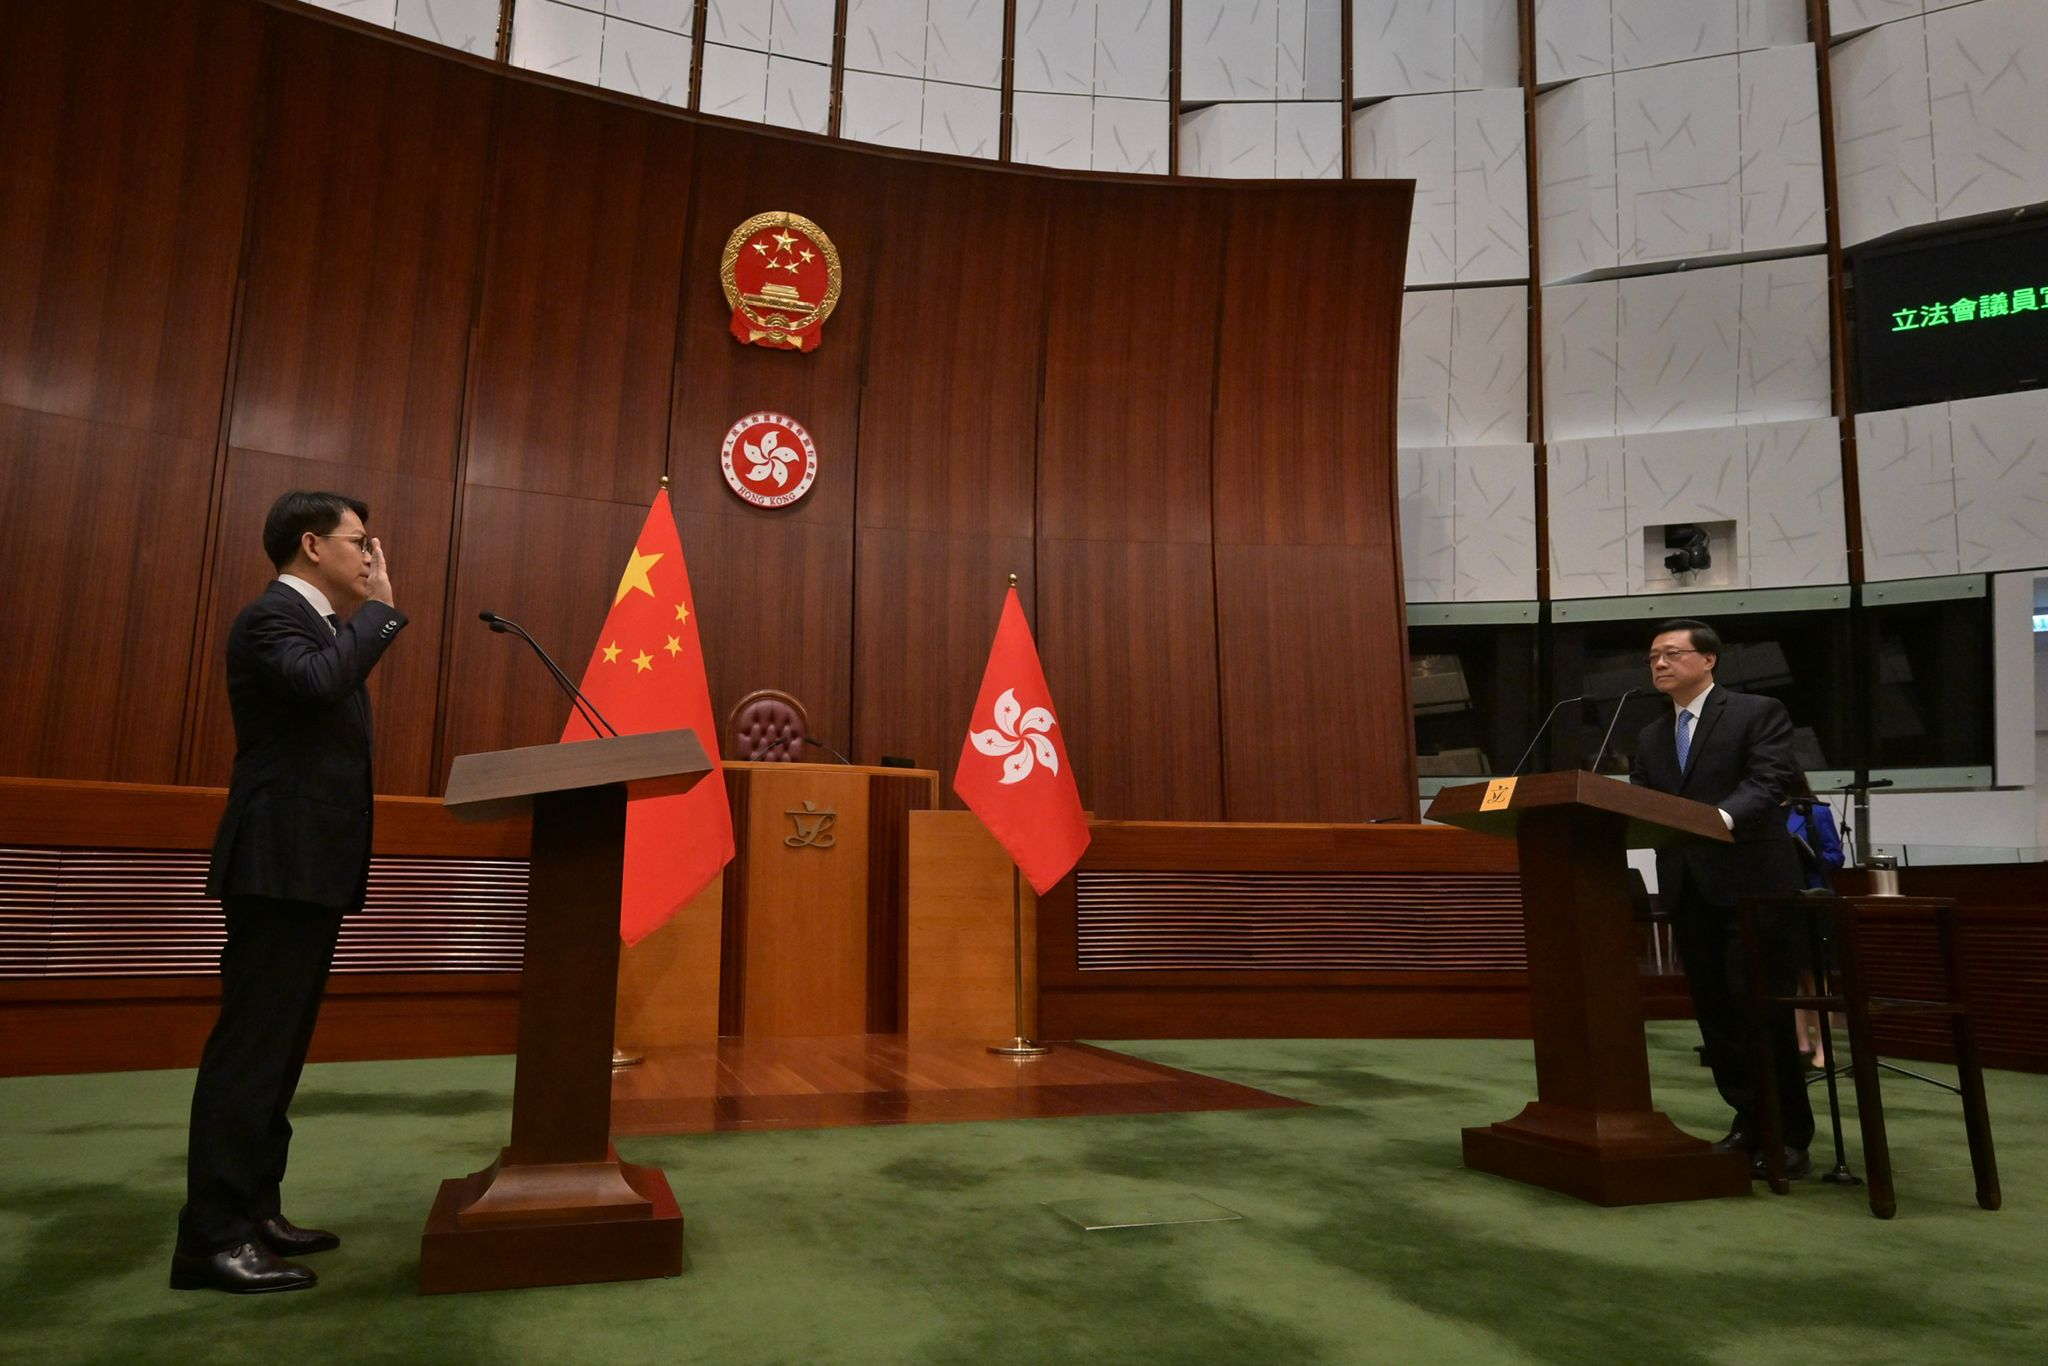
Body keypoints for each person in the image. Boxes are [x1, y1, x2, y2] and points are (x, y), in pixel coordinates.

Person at [171, 491, 404, 1293]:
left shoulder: (326, 629)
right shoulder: (270, 618)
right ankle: (211, 1237)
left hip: (310, 867)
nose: (371, 555)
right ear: (312, 545)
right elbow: (316, 688)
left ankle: (256, 1208)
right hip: (275, 864)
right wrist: (378, 614)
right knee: (251, 1052)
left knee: (282, 1052)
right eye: (360, 540)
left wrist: (365, 620)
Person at [1629, 619, 1815, 1179]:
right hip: (1689, 890)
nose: (1660, 664)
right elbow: (1642, 800)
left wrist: (1717, 820)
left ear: (1708, 660)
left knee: (1758, 1007)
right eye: (1653, 657)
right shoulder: (1651, 736)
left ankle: (1788, 1137)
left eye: (1671, 654)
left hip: (1753, 886)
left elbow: (1767, 782)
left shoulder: (1757, 713)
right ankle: (1747, 1120)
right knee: (1715, 1013)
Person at [1785, 770, 1845, 1066]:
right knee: (1792, 978)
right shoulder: (1768, 812)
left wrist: (1811, 855)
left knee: (1815, 978)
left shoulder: (1815, 812)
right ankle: (1801, 1044)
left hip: (1813, 899)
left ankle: (1825, 1048)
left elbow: (1836, 856)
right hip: (1782, 899)